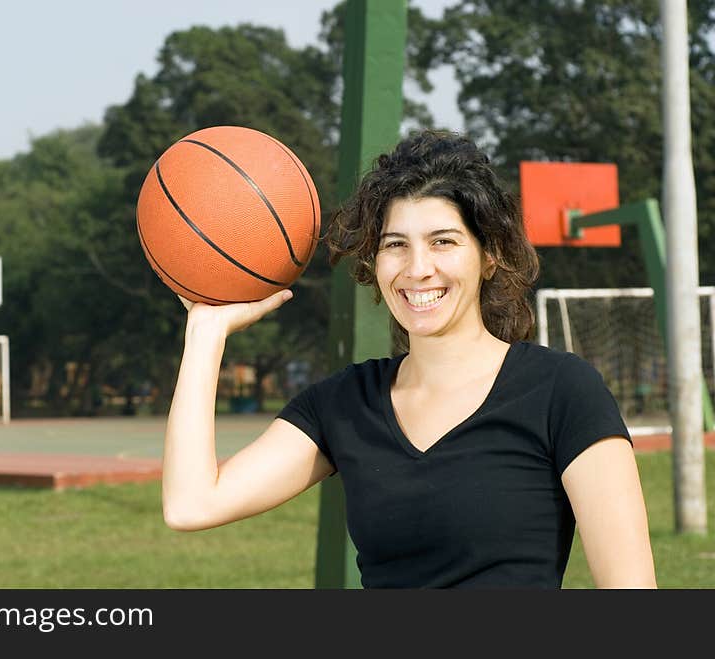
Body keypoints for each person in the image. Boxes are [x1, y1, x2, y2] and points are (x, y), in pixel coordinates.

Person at [162, 129, 657, 589]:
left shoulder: (561, 391)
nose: (418, 269)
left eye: (443, 241)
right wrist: (206, 333)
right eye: (395, 246)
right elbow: (191, 504)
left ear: (489, 256)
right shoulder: (344, 404)